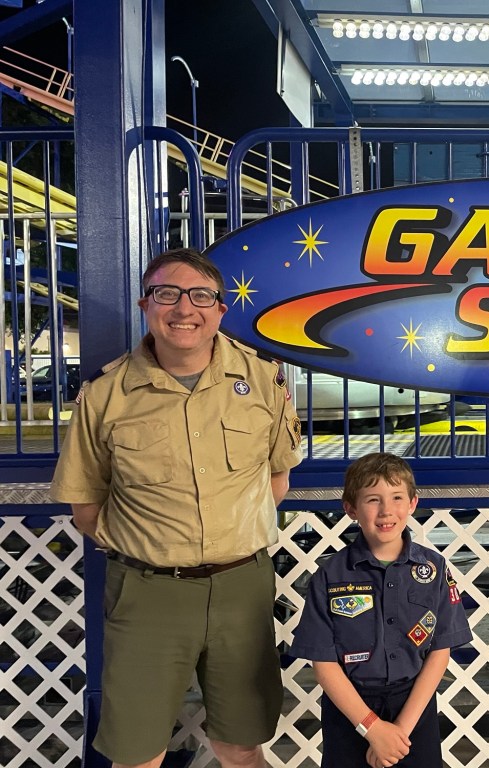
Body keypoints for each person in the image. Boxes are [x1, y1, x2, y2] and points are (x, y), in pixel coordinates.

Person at [50, 247, 304, 768]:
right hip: (147, 595)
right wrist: (158, 549)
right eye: (167, 294)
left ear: (219, 309)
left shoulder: (264, 380)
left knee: (241, 743)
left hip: (242, 589)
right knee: (137, 752)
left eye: (200, 296)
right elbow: (86, 506)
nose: (184, 308)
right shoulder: (105, 395)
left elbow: (276, 478)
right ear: (146, 304)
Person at [290, 453, 473, 768]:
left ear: (413, 503)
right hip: (350, 710)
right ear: (351, 509)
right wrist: (371, 729)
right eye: (373, 499)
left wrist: (398, 733)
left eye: (397, 498)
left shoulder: (434, 568)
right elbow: (323, 662)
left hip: (414, 709)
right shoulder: (330, 576)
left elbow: (439, 651)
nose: (387, 511)